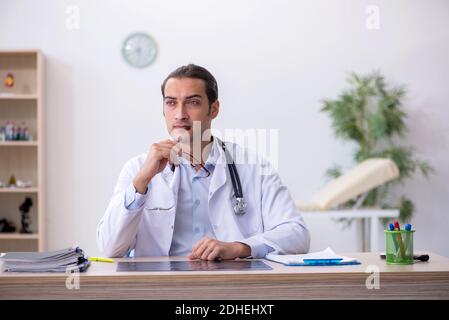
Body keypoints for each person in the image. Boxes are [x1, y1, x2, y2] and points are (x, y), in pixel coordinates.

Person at [97, 64, 310, 260]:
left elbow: (297, 234)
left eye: (193, 102)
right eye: (171, 103)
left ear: (214, 109)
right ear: (164, 109)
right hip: (160, 286)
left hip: (233, 283)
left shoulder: (253, 166)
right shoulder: (138, 169)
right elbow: (109, 248)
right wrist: (141, 183)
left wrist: (239, 247)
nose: (180, 114)